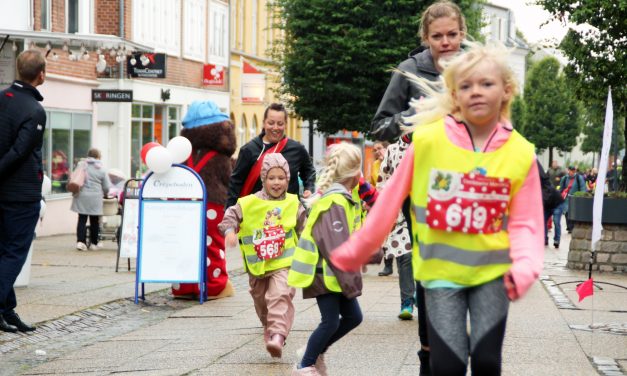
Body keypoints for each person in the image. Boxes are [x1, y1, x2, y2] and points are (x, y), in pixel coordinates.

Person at [331, 42, 544, 375]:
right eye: (466, 85)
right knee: (447, 367)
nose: (475, 92)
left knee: (487, 362)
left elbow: (528, 222)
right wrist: (356, 250)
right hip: (440, 275)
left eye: (485, 84)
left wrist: (526, 267)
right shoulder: (428, 141)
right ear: (454, 94)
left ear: (506, 90)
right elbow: (389, 201)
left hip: (492, 275)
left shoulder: (520, 153)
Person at [370, 1, 468, 372]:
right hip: (426, 185)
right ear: (426, 38)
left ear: (462, 33)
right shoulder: (411, 71)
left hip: (470, 183)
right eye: (437, 36)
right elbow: (379, 126)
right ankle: (429, 352)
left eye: (452, 35)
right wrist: (420, 114)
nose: (446, 42)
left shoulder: (475, 65)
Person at [219, 153, 307, 358]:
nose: (276, 182)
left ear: (288, 179)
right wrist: (230, 232)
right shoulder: (248, 203)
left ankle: (278, 334)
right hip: (257, 267)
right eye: (271, 178)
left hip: (284, 263)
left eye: (281, 178)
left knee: (279, 295)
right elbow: (229, 217)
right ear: (263, 179)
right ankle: (269, 326)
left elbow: (306, 227)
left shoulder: (294, 203)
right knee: (261, 301)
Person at [288, 143, 364, 376]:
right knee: (330, 321)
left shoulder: (342, 199)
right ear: (356, 174)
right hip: (324, 274)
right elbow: (335, 247)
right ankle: (305, 365)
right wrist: (349, 278)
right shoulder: (335, 202)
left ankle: (315, 353)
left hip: (332, 274)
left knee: (353, 317)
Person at [0, 49, 47, 333]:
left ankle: (8, 311)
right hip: (21, 193)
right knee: (14, 253)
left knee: (2, 251)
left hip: (3, 192)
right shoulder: (35, 110)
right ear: (41, 74)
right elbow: (20, 152)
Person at [226, 103, 316, 208]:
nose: (275, 127)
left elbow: (309, 172)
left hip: (288, 214)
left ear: (286, 124)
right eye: (271, 123)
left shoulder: (297, 149)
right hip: (257, 214)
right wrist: (229, 214)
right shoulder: (249, 150)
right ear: (264, 123)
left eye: (280, 123)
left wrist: (309, 188)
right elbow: (235, 184)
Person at [377, 137, 415, 319]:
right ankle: (407, 302)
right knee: (405, 256)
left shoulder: (430, 143)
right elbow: (382, 179)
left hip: (424, 211)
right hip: (399, 213)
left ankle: (423, 297)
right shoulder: (392, 150)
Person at [70, 148, 111, 251]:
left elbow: (73, 177)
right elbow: (106, 187)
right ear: (98, 157)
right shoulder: (101, 169)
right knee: (94, 221)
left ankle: (80, 242)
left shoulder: (81, 165)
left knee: (82, 219)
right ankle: (94, 243)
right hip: (95, 197)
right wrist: (106, 194)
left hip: (81, 196)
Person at [554, 166, 586, 245]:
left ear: (575, 171)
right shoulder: (564, 178)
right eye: (570, 170)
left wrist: (581, 195)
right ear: (568, 170)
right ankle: (569, 227)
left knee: (572, 212)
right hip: (566, 199)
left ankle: (571, 226)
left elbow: (583, 188)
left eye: (573, 171)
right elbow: (561, 189)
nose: (571, 172)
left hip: (575, 199)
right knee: (567, 212)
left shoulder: (579, 178)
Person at [538, 161, 564, 246]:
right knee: (543, 221)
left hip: (557, 204)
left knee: (556, 221)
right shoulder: (539, 188)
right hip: (548, 205)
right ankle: (544, 239)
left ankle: (557, 240)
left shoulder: (545, 187)